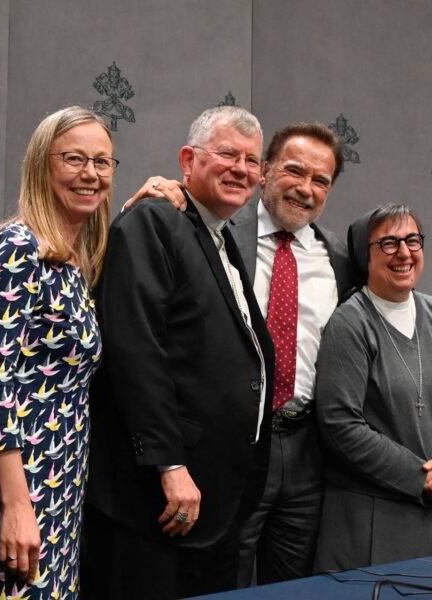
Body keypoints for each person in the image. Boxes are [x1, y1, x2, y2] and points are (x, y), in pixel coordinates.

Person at [132, 122, 354, 584]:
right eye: (295, 171)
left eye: (321, 180)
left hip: (306, 451)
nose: (306, 188)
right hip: (230, 446)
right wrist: (159, 190)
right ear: (266, 170)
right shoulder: (214, 226)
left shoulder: (338, 257)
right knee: (222, 577)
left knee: (293, 586)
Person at [85, 105, 275, 599]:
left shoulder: (217, 234)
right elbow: (136, 352)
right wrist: (169, 465)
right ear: (188, 160)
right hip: (159, 499)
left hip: (215, 500)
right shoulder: (154, 221)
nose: (241, 169)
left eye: (252, 161)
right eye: (228, 154)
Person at [0, 106, 113, 600]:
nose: (90, 174)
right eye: (74, 159)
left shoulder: (71, 260)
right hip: (19, 487)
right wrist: (16, 505)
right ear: (41, 164)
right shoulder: (16, 246)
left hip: (62, 482)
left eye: (102, 162)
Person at [314, 204, 432, 571]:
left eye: (412, 240)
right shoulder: (350, 323)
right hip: (371, 518)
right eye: (389, 243)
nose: (404, 253)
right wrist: (420, 477)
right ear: (365, 255)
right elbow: (340, 425)